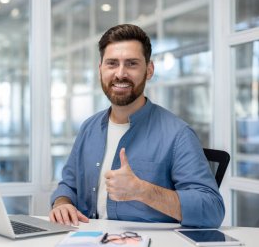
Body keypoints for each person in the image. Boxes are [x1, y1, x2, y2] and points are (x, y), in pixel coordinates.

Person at [49, 24, 225, 228]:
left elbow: (212, 209)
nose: (120, 74)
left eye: (131, 64)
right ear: (100, 69)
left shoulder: (178, 134)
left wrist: (142, 190)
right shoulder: (89, 128)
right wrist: (62, 203)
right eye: (112, 63)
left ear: (149, 70)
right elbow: (68, 185)